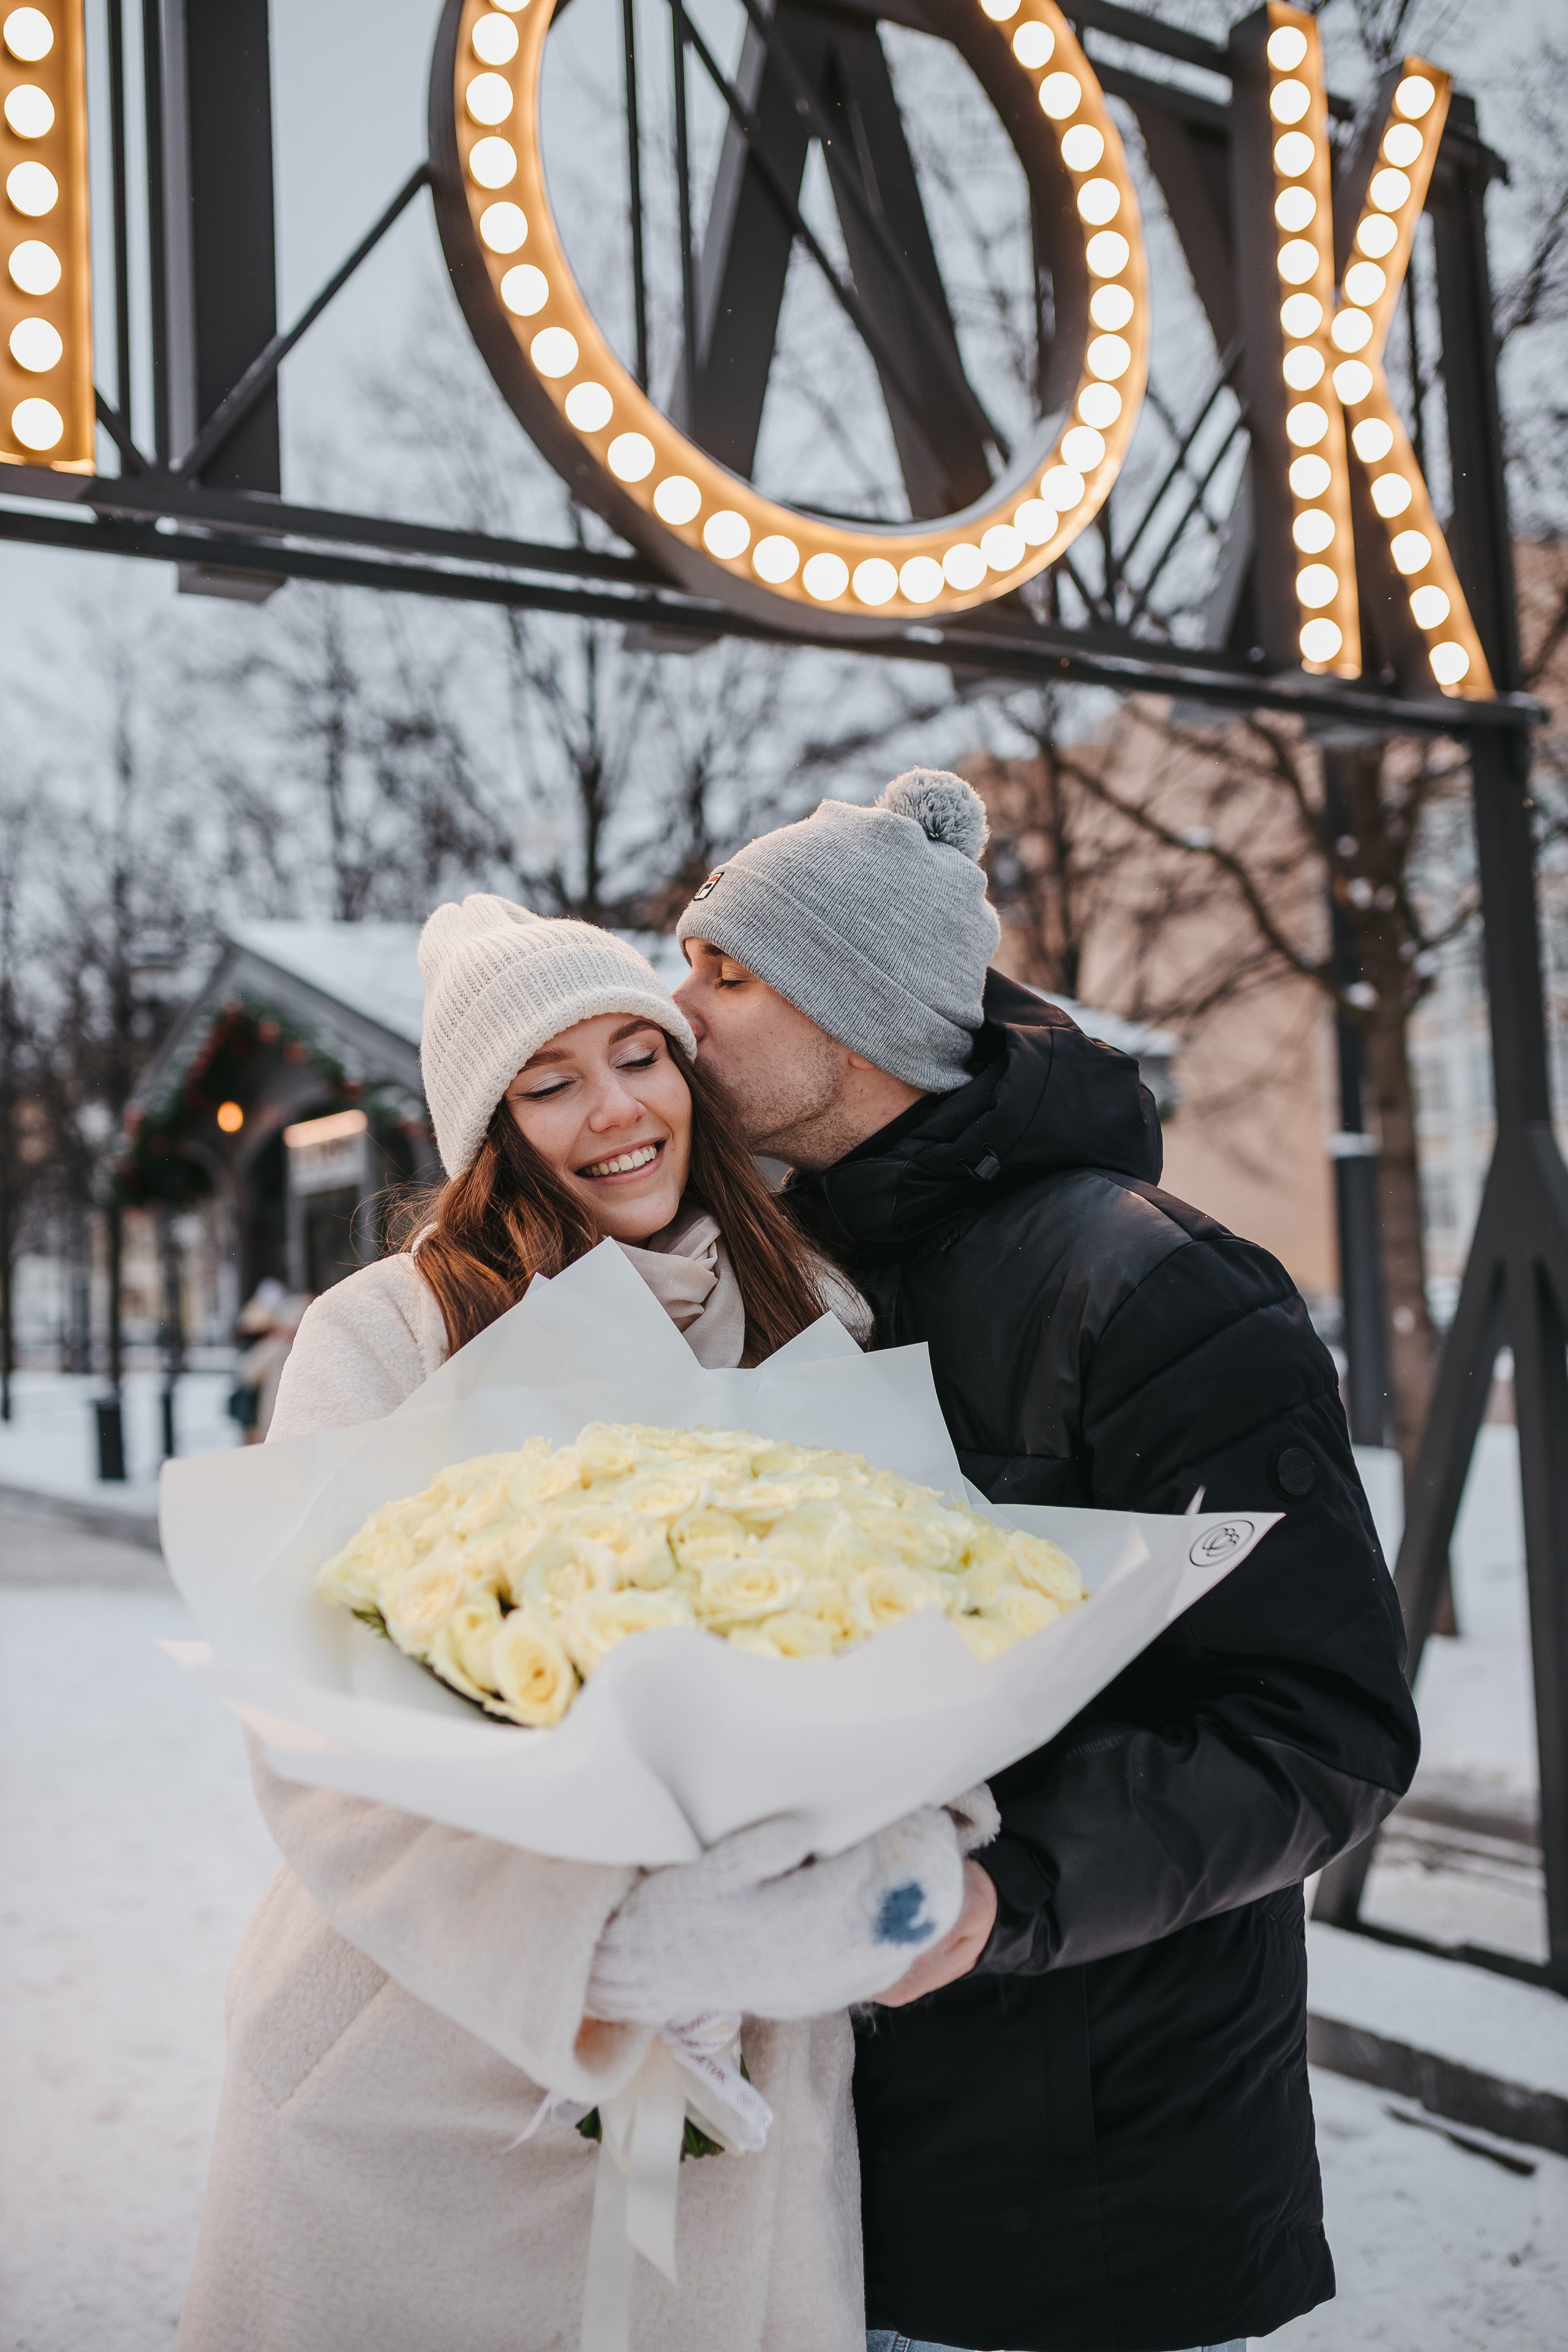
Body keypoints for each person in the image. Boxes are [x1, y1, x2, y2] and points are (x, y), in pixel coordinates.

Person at [673, 769, 1422, 2352]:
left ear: (852, 1019)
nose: (679, 1012)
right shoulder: (764, 1285)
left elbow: (1321, 1728)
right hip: (813, 2198)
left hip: (1089, 2215)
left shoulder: (1155, 1291)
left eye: (725, 975)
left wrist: (993, 1895)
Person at [176, 897, 980, 2352]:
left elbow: (918, 1614)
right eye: (549, 1083)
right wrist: (591, 1936)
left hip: (739, 2056)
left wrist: (913, 1832)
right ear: (488, 1130)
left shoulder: (811, 1315)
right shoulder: (392, 1331)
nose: (614, 1109)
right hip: (421, 2054)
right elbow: (312, 1713)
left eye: (639, 1055)